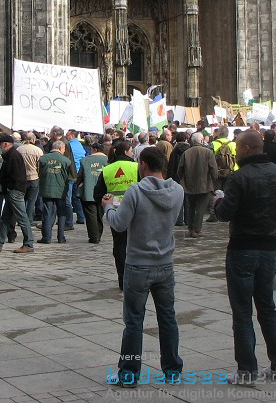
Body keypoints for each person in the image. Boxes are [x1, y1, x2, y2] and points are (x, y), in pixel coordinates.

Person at [213, 130, 276, 386]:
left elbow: (225, 213)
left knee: (243, 312)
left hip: (242, 248)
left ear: (247, 148)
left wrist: (218, 201)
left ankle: (247, 370)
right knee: (267, 307)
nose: (235, 150)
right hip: (269, 247)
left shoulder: (239, 177)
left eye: (238, 147)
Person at [103, 147, 184, 387]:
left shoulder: (135, 192)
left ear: (144, 165)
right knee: (168, 318)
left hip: (138, 264)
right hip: (165, 263)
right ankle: (172, 370)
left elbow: (119, 224)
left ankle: (128, 374)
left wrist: (107, 207)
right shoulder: (177, 190)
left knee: (134, 322)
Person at [95, 139, 140, 289]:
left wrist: (107, 202)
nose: (133, 153)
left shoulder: (107, 169)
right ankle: (137, 277)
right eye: (132, 151)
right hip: (136, 211)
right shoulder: (136, 167)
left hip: (115, 212)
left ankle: (122, 278)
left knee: (119, 245)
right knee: (136, 244)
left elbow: (98, 193)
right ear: (127, 152)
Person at [0, 133, 34, 253]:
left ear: (6, 144)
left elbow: (16, 176)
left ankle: (29, 243)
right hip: (12, 190)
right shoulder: (10, 155)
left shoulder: (13, 155)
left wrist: (10, 188)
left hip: (14, 191)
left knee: (22, 217)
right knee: (5, 218)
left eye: (0, 144)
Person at [178, 132, 217, 238]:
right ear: (201, 141)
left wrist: (183, 180)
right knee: (201, 208)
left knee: (191, 207)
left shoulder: (186, 153)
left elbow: (180, 170)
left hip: (189, 185)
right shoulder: (208, 152)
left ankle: (190, 228)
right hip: (205, 184)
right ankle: (197, 230)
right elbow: (214, 170)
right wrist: (214, 182)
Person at [77, 141, 107, 243]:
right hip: (103, 192)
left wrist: (78, 185)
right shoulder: (107, 160)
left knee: (91, 215)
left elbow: (80, 176)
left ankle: (94, 236)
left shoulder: (85, 160)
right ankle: (98, 233)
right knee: (100, 214)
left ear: (94, 149)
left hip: (88, 190)